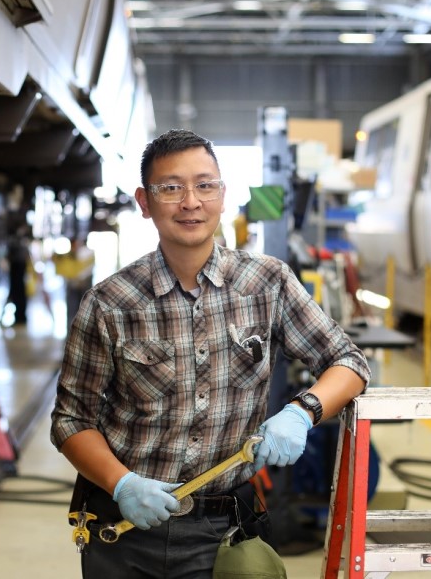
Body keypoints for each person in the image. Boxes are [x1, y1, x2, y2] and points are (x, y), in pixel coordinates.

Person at [50, 129, 370, 578]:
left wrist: (302, 411)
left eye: (205, 185)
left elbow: (348, 361)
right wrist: (121, 484)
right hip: (125, 532)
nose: (190, 202)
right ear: (144, 202)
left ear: (223, 195)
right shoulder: (110, 302)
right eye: (171, 188)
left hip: (225, 532)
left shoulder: (267, 283)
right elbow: (70, 419)